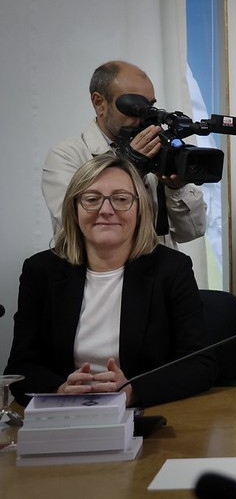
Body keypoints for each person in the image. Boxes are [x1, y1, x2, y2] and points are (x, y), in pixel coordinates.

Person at [5, 154, 216, 407]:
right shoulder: (41, 271)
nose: (106, 210)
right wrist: (59, 389)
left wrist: (133, 391)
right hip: (65, 415)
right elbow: (20, 367)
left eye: (121, 199)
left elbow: (199, 363)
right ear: (74, 209)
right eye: (92, 199)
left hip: (145, 416)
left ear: (140, 210)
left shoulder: (171, 269)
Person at [42, 60, 207, 249]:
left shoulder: (157, 151)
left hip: (156, 273)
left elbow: (191, 231)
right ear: (99, 103)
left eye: (149, 106)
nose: (143, 116)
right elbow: (78, 224)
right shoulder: (67, 155)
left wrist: (176, 188)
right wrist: (131, 166)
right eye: (134, 106)